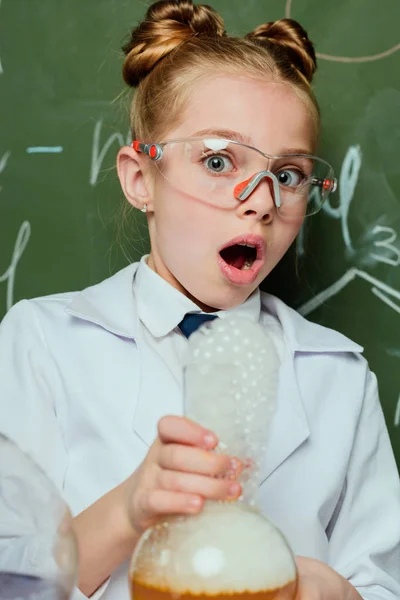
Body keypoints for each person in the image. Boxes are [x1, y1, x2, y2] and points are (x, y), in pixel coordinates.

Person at [0, 1, 399, 598]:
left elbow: (381, 579)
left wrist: (327, 590)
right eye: (218, 161)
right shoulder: (41, 341)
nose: (262, 202)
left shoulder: (338, 375)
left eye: (288, 175)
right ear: (140, 179)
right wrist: (128, 509)